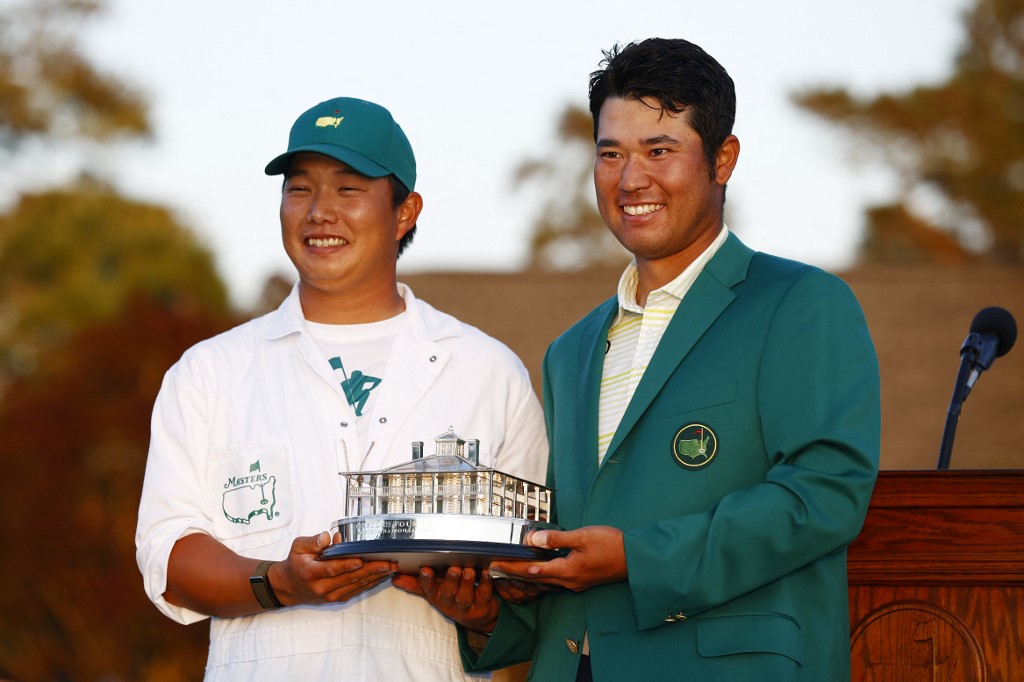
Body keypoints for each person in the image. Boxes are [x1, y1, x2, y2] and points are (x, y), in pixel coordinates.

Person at [394, 38, 880, 681]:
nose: (630, 179)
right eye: (610, 153)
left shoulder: (799, 303)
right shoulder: (570, 352)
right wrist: (490, 612)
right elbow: (573, 549)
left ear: (723, 159)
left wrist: (636, 559)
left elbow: (826, 493)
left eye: (660, 150)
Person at [135, 96, 548, 680]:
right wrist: (279, 582)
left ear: (405, 211)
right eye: (299, 189)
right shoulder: (210, 371)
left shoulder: (488, 372)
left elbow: (529, 574)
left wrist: (480, 612)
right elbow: (168, 553)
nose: (319, 212)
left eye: (349, 189)